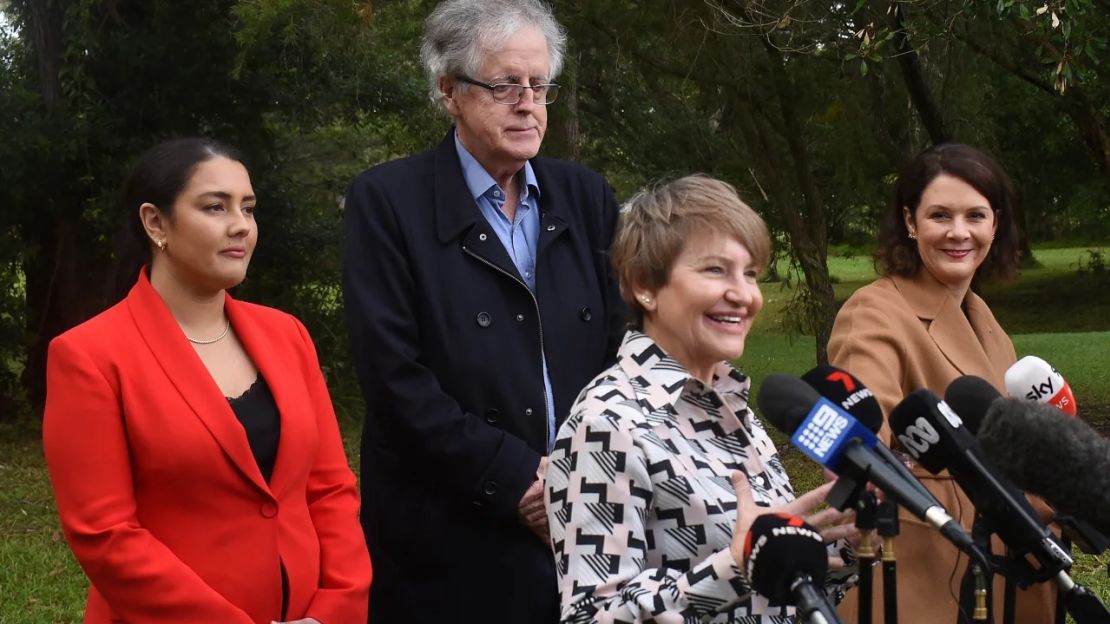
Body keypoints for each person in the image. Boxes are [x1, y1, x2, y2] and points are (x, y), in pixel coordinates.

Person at [341, 1, 625, 621]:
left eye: (539, 85)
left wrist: (583, 478)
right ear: (450, 91)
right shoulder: (388, 202)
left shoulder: (585, 196)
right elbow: (394, 378)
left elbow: (619, 348)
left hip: (585, 527)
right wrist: (519, 479)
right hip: (450, 537)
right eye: (504, 85)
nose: (527, 102)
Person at [43, 138, 372, 624]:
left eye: (248, 208)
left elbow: (329, 489)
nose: (241, 224)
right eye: (215, 207)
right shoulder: (90, 356)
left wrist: (335, 607)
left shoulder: (288, 336)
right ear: (156, 223)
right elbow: (105, 533)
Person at [546, 175, 858, 623]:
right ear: (643, 285)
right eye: (715, 270)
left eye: (750, 273)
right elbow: (592, 616)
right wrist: (735, 566)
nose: (744, 295)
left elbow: (774, 596)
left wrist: (853, 537)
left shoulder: (734, 407)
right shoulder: (608, 423)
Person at [828, 143, 1055, 622]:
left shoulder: (985, 319)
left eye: (975, 215)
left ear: (995, 223)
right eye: (940, 215)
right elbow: (865, 448)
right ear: (910, 222)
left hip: (1012, 571)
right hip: (928, 579)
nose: (959, 232)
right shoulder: (873, 312)